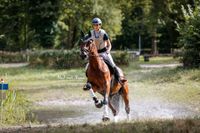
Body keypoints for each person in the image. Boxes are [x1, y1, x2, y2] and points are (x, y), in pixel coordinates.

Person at [84, 17, 126, 86]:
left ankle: (120, 79)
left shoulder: (103, 33)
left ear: (100, 25)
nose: (96, 26)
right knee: (87, 66)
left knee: (112, 64)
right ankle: (88, 82)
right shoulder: (90, 33)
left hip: (104, 52)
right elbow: (84, 40)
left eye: (97, 25)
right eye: (95, 25)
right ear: (93, 26)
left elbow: (109, 45)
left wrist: (108, 51)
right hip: (95, 54)